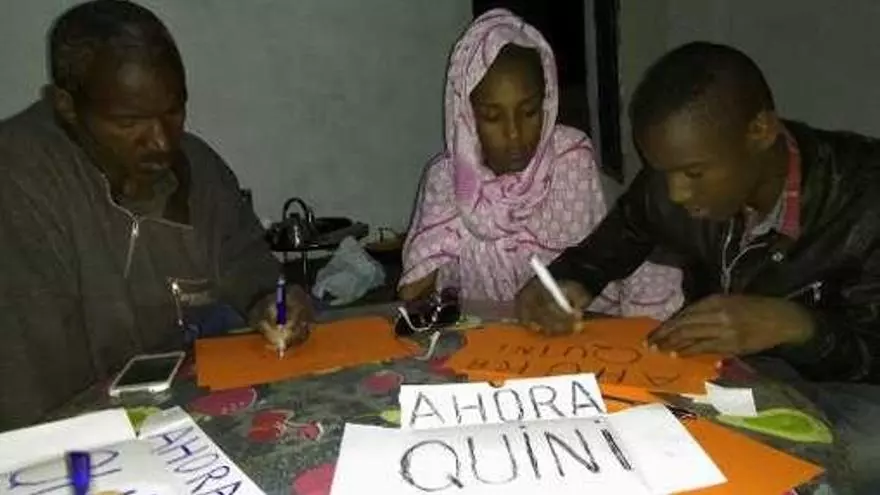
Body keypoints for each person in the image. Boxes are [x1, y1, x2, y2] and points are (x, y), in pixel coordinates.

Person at [517, 41, 880, 492]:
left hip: (843, 387)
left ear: (760, 130)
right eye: (661, 172)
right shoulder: (672, 179)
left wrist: (796, 325)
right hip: (731, 380)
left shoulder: (866, 197)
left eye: (693, 174)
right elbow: (604, 250)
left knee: (843, 455)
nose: (676, 194)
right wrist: (565, 282)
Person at [0, 0, 309, 431]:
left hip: (172, 421)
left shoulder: (197, 167)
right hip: (68, 435)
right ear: (67, 107)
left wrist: (272, 302)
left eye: (173, 111)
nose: (162, 142)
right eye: (130, 122)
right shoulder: (18, 180)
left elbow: (247, 263)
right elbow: (26, 400)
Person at [398, 8, 683, 320]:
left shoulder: (571, 159)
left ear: (547, 101)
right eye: (492, 117)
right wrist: (458, 217)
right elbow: (414, 293)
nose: (514, 133)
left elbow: (618, 250)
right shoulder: (446, 179)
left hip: (576, 329)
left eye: (530, 112)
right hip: (486, 337)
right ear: (466, 117)